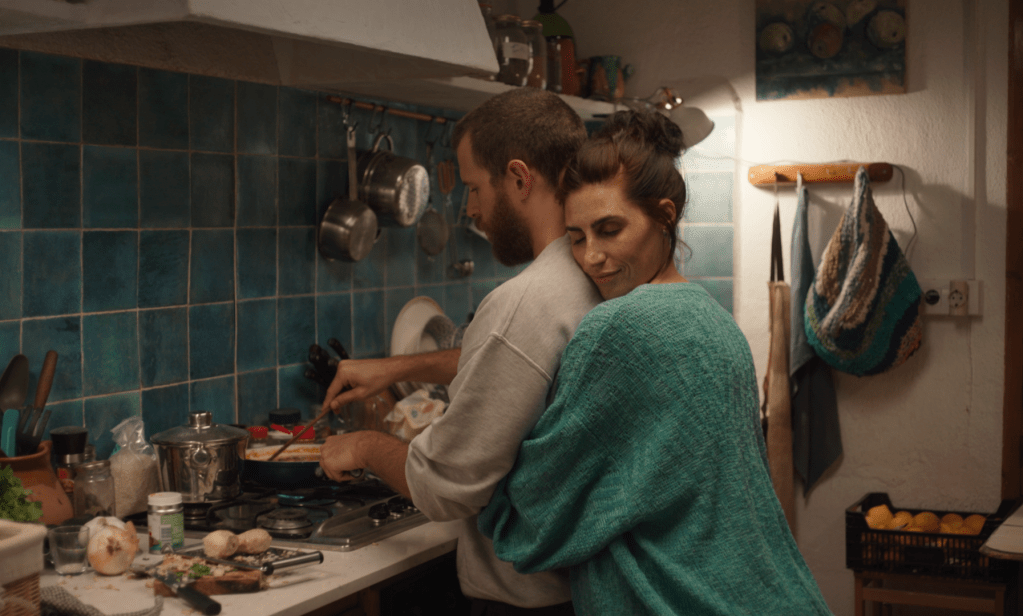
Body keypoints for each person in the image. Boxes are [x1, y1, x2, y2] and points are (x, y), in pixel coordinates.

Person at [476, 110, 834, 615]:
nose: (592, 256)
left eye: (610, 229)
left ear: (664, 216)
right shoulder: (712, 318)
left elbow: (536, 516)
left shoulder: (618, 329)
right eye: (577, 237)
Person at [318, 88, 602, 615]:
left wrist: (361, 446)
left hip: (530, 601)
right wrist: (400, 368)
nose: (471, 209)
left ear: (519, 179)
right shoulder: (594, 271)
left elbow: (444, 487)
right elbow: (526, 364)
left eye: (473, 188)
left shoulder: (525, 303)